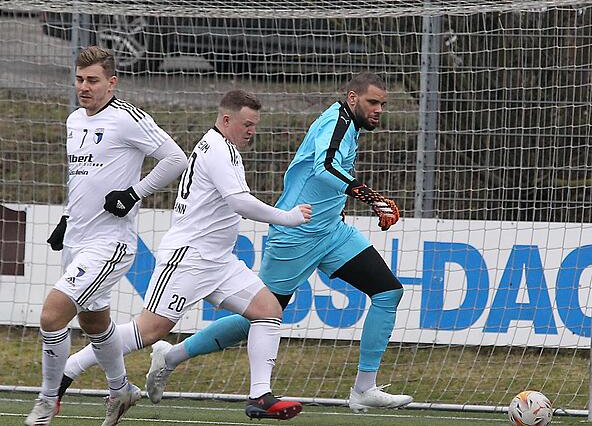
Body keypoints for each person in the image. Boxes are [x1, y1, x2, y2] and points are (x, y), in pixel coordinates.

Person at [144, 72, 412, 413]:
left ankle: (364, 388)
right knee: (258, 317)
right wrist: (368, 195)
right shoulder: (338, 122)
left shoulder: (349, 125)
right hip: (296, 235)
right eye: (373, 102)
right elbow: (324, 168)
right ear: (353, 98)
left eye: (383, 105)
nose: (378, 110)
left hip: (330, 231)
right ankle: (171, 354)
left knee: (388, 290)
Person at [47, 89, 313, 421]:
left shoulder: (225, 148)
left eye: (254, 125)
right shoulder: (216, 149)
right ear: (227, 119)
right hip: (187, 258)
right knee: (148, 331)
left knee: (268, 311)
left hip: (219, 261)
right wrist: (287, 217)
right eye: (247, 124)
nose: (251, 131)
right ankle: (69, 369)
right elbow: (239, 202)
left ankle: (260, 395)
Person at [24, 45, 188, 426]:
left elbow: (176, 158)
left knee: (52, 316)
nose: (85, 87)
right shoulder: (73, 121)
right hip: (78, 240)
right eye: (80, 79)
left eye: (93, 80)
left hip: (111, 243)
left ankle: (47, 401)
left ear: (111, 83)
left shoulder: (127, 118)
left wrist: (135, 193)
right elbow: (82, 178)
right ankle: (121, 390)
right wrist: (67, 218)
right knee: (94, 325)